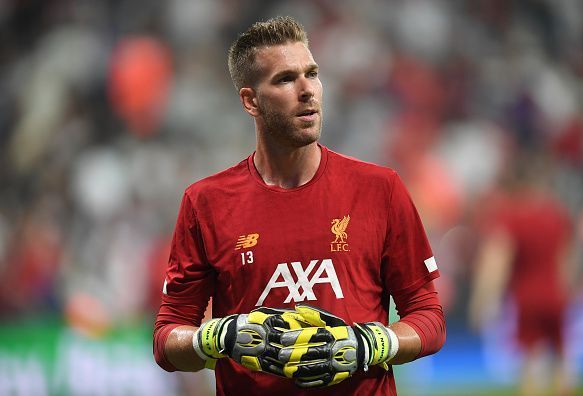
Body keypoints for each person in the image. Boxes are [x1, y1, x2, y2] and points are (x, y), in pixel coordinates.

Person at [153, 16, 445, 395]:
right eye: (286, 79)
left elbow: (430, 319)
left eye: (312, 73)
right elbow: (166, 339)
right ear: (250, 100)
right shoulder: (205, 203)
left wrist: (373, 344)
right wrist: (215, 338)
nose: (307, 90)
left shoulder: (380, 189)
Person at [469, 152, 576, 396]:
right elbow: (566, 261)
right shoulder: (556, 215)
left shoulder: (511, 217)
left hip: (527, 297)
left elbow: (497, 261)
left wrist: (483, 299)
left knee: (530, 365)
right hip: (557, 294)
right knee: (562, 359)